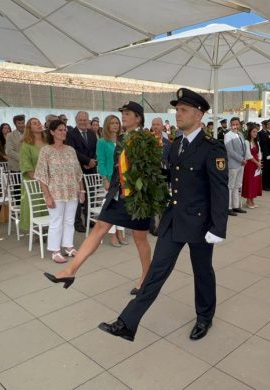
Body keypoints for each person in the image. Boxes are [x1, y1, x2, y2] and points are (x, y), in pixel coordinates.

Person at [97, 88, 228, 342]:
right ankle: (127, 323)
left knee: (202, 271)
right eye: (176, 110)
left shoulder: (212, 148)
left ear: (199, 114)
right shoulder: (176, 144)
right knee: (156, 271)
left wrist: (218, 227)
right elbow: (171, 177)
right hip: (174, 219)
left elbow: (220, 190)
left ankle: (204, 317)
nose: (177, 114)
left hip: (201, 223)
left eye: (183, 110)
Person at [45, 101, 154, 295]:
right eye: (123, 113)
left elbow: (150, 170)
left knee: (140, 239)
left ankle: (146, 276)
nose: (123, 116)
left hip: (138, 198)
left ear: (138, 117)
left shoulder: (145, 138)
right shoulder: (121, 138)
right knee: (99, 229)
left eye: (128, 113)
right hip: (117, 195)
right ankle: (70, 270)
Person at [34, 120, 84, 263]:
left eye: (64, 130)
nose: (64, 132)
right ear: (52, 132)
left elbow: (77, 172)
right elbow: (41, 175)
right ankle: (55, 251)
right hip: (55, 192)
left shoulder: (70, 150)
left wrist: (82, 190)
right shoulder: (46, 150)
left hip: (71, 191)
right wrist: (47, 196)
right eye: (60, 130)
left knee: (69, 221)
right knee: (56, 221)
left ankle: (68, 246)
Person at [96, 115, 127, 247]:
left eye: (117, 123)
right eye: (112, 123)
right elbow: (101, 162)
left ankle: (120, 233)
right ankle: (113, 235)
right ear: (107, 125)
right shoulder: (102, 142)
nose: (115, 125)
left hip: (124, 179)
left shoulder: (123, 140)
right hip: (110, 178)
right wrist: (105, 179)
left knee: (122, 207)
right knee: (112, 207)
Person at [65, 111, 97, 233]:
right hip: (78, 169)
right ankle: (77, 222)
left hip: (91, 168)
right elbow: (73, 151)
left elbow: (95, 149)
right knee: (79, 198)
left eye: (85, 120)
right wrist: (87, 161)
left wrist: (93, 161)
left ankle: (90, 219)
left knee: (91, 196)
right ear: (76, 120)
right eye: (80, 120)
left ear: (88, 120)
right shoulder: (71, 134)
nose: (83, 122)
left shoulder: (92, 133)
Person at [19, 118, 47, 231]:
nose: (39, 125)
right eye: (35, 124)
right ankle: (36, 231)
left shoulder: (47, 143)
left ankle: (48, 228)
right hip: (33, 181)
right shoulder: (26, 144)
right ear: (29, 128)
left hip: (48, 180)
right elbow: (26, 165)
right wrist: (39, 179)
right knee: (36, 205)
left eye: (39, 122)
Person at [224, 117, 247, 216]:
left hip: (241, 163)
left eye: (237, 124)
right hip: (233, 164)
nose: (235, 126)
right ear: (230, 124)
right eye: (233, 124)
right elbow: (230, 151)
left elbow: (244, 148)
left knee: (237, 186)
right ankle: (228, 208)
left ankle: (236, 206)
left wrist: (244, 159)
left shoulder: (240, 134)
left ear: (239, 124)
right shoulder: (228, 135)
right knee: (230, 186)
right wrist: (241, 159)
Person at [242, 123, 262, 208]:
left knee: (255, 182)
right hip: (250, 165)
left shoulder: (257, 142)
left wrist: (259, 162)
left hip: (256, 165)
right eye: (253, 132)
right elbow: (248, 155)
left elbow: (259, 153)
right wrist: (257, 163)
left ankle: (252, 200)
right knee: (249, 182)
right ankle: (248, 201)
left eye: (256, 132)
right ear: (250, 132)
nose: (255, 133)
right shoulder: (247, 142)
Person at [258, 119, 270, 191]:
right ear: (267, 125)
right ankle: (264, 185)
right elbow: (264, 145)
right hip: (267, 155)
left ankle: (268, 184)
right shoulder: (264, 134)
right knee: (266, 170)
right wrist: (266, 154)